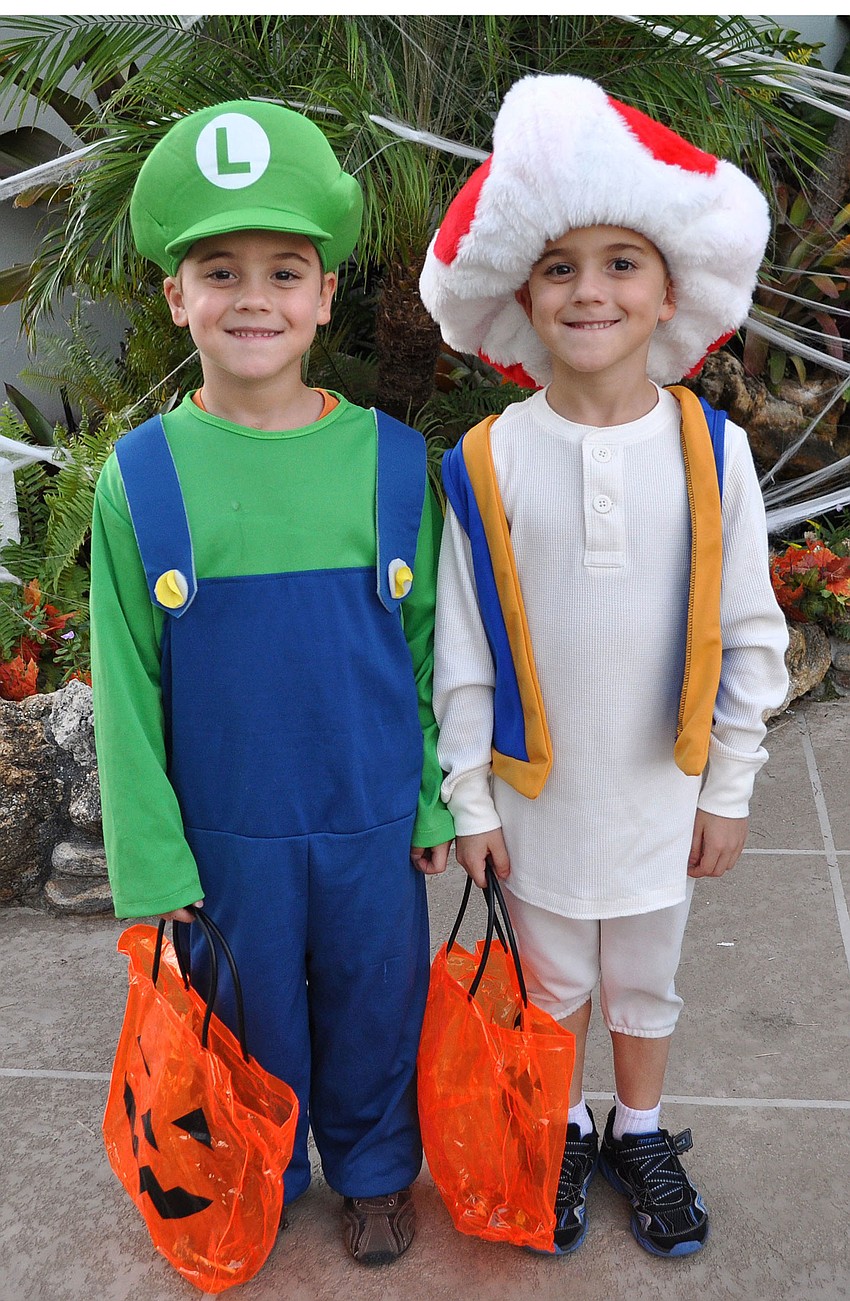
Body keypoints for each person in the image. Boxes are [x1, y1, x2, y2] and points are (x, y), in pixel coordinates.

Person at [420, 74, 789, 1259]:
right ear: (518, 293)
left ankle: (639, 1124)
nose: (590, 289)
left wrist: (727, 784)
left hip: (659, 792)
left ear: (670, 288)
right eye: (561, 264)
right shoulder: (485, 459)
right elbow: (463, 644)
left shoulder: (709, 450)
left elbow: (748, 632)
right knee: (549, 983)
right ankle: (562, 1122)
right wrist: (467, 795)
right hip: (536, 800)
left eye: (621, 261)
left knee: (646, 976)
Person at [90, 99, 453, 1267]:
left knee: (374, 999)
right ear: (174, 296)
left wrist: (439, 799)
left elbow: (431, 651)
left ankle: (376, 1168)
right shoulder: (140, 479)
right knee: (247, 1016)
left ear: (327, 295)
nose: (254, 298)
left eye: (285, 270)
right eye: (220, 269)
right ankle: (259, 1155)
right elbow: (127, 683)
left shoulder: (397, 463)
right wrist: (152, 860)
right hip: (225, 829)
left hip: (367, 820)